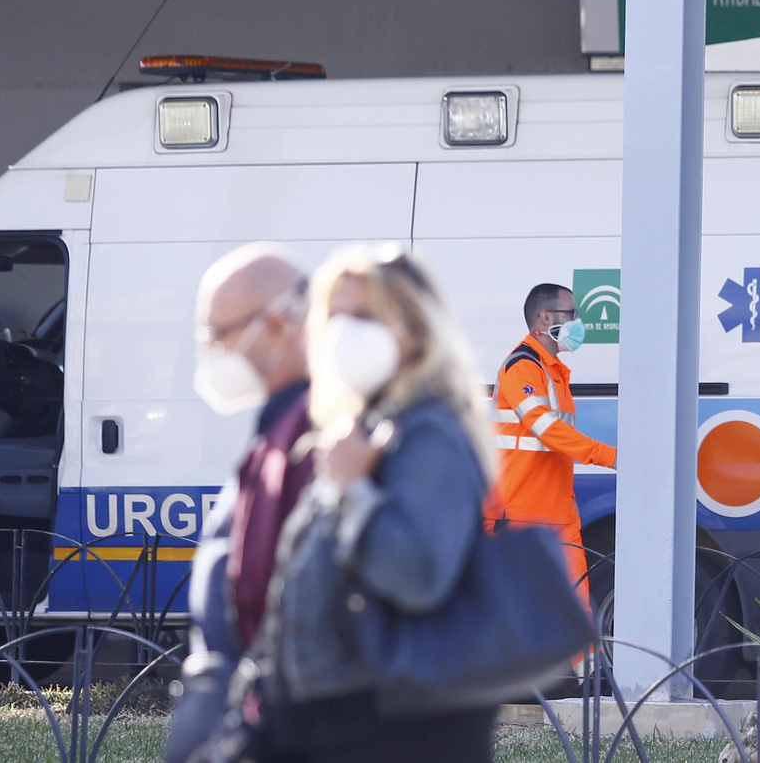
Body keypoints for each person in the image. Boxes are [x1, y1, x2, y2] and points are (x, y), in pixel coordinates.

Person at [253, 245, 499, 762]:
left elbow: (417, 575)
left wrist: (354, 489)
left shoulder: (429, 433)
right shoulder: (365, 425)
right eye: (335, 317)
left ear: (415, 330)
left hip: (389, 729)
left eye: (364, 316)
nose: (344, 333)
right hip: (337, 719)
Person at [166, 245, 314, 763]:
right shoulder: (282, 426)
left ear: (277, 323)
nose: (210, 353)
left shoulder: (313, 436)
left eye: (216, 336)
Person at [486, 283, 616, 607]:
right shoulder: (522, 367)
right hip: (520, 515)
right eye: (571, 314)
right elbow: (546, 429)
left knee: (574, 613)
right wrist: (610, 456)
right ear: (545, 318)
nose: (577, 323)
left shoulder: (552, 371)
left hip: (557, 513)